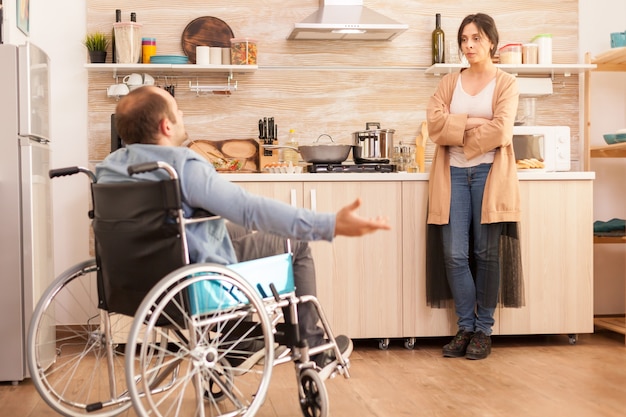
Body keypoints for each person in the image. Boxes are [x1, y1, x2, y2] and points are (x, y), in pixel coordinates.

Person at [96, 85, 391, 374]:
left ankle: (237, 336)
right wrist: (328, 224)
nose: (182, 113)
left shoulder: (109, 168)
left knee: (228, 228)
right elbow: (250, 210)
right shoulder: (182, 166)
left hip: (134, 286)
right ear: (166, 126)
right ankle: (312, 346)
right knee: (296, 244)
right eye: (177, 110)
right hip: (195, 284)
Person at [425, 13, 524, 360]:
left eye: (476, 38)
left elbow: (503, 132)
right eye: (464, 39)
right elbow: (434, 126)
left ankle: (483, 330)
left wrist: (460, 130)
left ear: (491, 42)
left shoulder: (506, 83)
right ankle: (465, 327)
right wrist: (476, 120)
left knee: (486, 254)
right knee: (454, 254)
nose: (469, 45)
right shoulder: (450, 82)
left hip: (488, 173)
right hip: (451, 174)